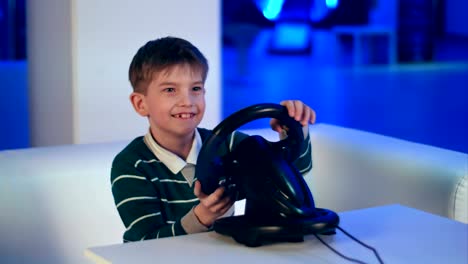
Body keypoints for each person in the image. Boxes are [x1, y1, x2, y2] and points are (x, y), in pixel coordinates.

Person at [110, 36, 316, 242]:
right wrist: (201, 218)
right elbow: (144, 244)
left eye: (196, 89)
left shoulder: (228, 143)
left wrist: (294, 128)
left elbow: (293, 174)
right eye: (170, 90)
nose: (187, 101)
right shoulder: (131, 166)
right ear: (140, 104)